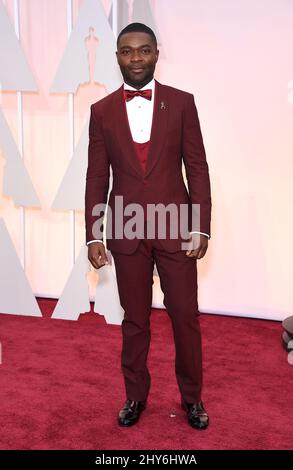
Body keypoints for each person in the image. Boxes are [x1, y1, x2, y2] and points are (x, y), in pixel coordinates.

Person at [85, 22, 211, 430]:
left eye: (143, 51)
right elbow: (96, 178)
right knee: (134, 319)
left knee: (184, 316)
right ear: (117, 56)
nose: (135, 58)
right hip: (126, 230)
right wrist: (94, 233)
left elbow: (197, 168)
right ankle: (135, 397)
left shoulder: (182, 103)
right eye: (127, 51)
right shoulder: (101, 111)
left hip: (176, 227)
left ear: (157, 53)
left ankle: (192, 399)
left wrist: (201, 226)